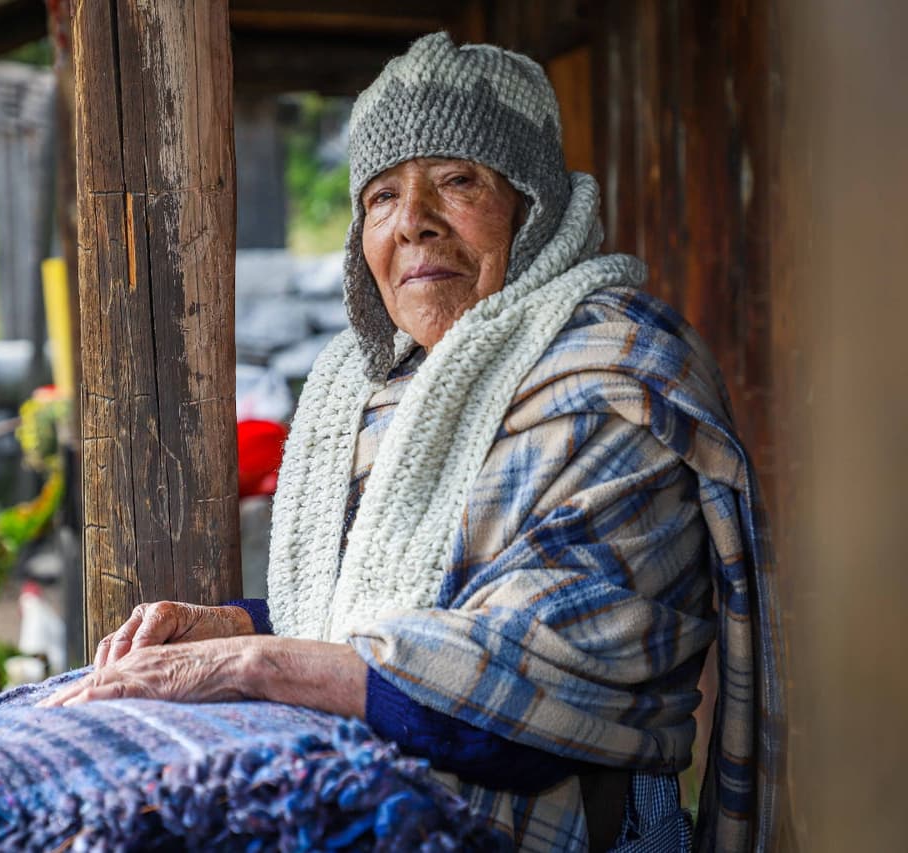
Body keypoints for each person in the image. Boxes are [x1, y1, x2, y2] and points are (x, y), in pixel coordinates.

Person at [39, 33, 782, 852]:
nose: (413, 223)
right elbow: (374, 615)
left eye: (457, 181)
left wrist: (256, 662)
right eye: (383, 195)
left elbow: (527, 688)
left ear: (533, 207)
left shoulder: (615, 381)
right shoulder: (370, 387)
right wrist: (232, 625)